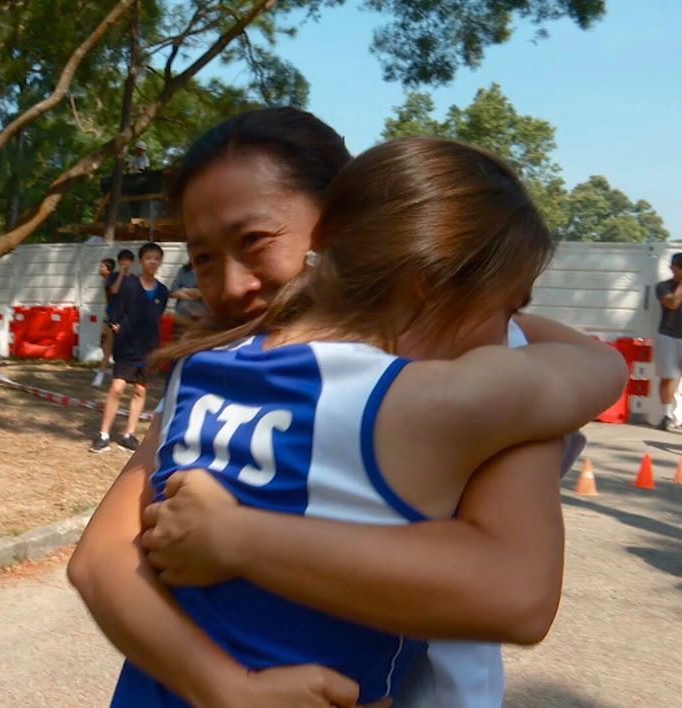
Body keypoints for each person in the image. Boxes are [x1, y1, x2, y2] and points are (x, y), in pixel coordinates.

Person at [68, 109, 616, 707]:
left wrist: (237, 542)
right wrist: (228, 689)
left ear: (335, 227)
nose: (231, 285)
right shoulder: (455, 390)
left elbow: (514, 594)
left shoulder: (205, 372)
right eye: (201, 258)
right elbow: (600, 368)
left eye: (254, 240)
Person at [90, 243, 169, 453]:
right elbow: (117, 308)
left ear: (160, 262)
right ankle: (103, 434)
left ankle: (129, 435)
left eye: (157, 258)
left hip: (149, 347)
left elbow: (157, 317)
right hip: (127, 344)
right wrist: (114, 323)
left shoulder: (163, 291)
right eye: (149, 258)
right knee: (117, 388)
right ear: (141, 261)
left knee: (140, 391)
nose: (153, 262)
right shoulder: (129, 284)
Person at [93, 250, 135, 387]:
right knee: (107, 345)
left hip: (127, 319)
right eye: (122, 260)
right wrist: (121, 273)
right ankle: (100, 374)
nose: (125, 263)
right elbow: (114, 290)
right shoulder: (113, 277)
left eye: (127, 260)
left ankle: (121, 373)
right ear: (119, 262)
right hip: (113, 317)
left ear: (132, 262)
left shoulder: (134, 279)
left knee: (124, 349)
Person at [655, 252, 682, 430]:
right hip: (669, 335)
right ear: (672, 268)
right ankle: (667, 415)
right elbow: (672, 303)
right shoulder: (663, 286)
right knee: (669, 377)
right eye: (681, 267)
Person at [168, 262, 207, 333]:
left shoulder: (208, 270)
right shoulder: (184, 270)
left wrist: (184, 290)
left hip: (201, 318)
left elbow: (206, 292)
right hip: (182, 317)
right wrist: (191, 293)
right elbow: (173, 291)